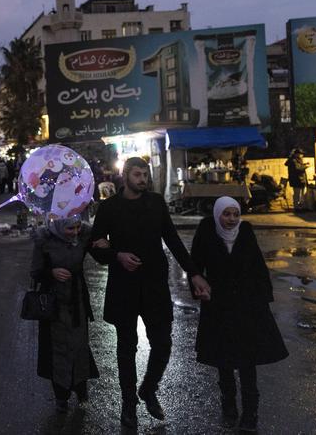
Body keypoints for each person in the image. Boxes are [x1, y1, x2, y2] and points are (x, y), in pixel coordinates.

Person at [91, 157, 210, 429]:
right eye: (137, 174)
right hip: (124, 287)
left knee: (163, 344)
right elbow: (94, 245)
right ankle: (128, 404)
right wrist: (116, 254)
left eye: (145, 175)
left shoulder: (155, 203)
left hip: (155, 285)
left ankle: (148, 388)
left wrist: (194, 273)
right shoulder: (109, 208)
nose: (143, 179)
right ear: (125, 176)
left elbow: (172, 239)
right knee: (126, 349)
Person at [190, 197, 288, 432]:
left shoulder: (245, 232)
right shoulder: (206, 231)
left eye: (235, 214)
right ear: (217, 215)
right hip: (218, 306)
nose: (231, 219)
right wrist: (198, 288)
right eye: (227, 214)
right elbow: (195, 267)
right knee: (223, 360)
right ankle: (228, 404)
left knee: (247, 362)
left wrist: (263, 300)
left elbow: (257, 266)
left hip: (247, 307)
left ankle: (250, 414)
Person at [31, 215, 102, 413]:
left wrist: (103, 244)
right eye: (70, 229)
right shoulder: (44, 240)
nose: (75, 233)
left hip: (77, 300)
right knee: (57, 349)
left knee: (79, 345)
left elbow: (100, 254)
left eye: (78, 227)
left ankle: (80, 388)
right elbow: (35, 272)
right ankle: (61, 396)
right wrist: (51, 273)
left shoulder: (83, 237)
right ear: (60, 227)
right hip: (53, 304)